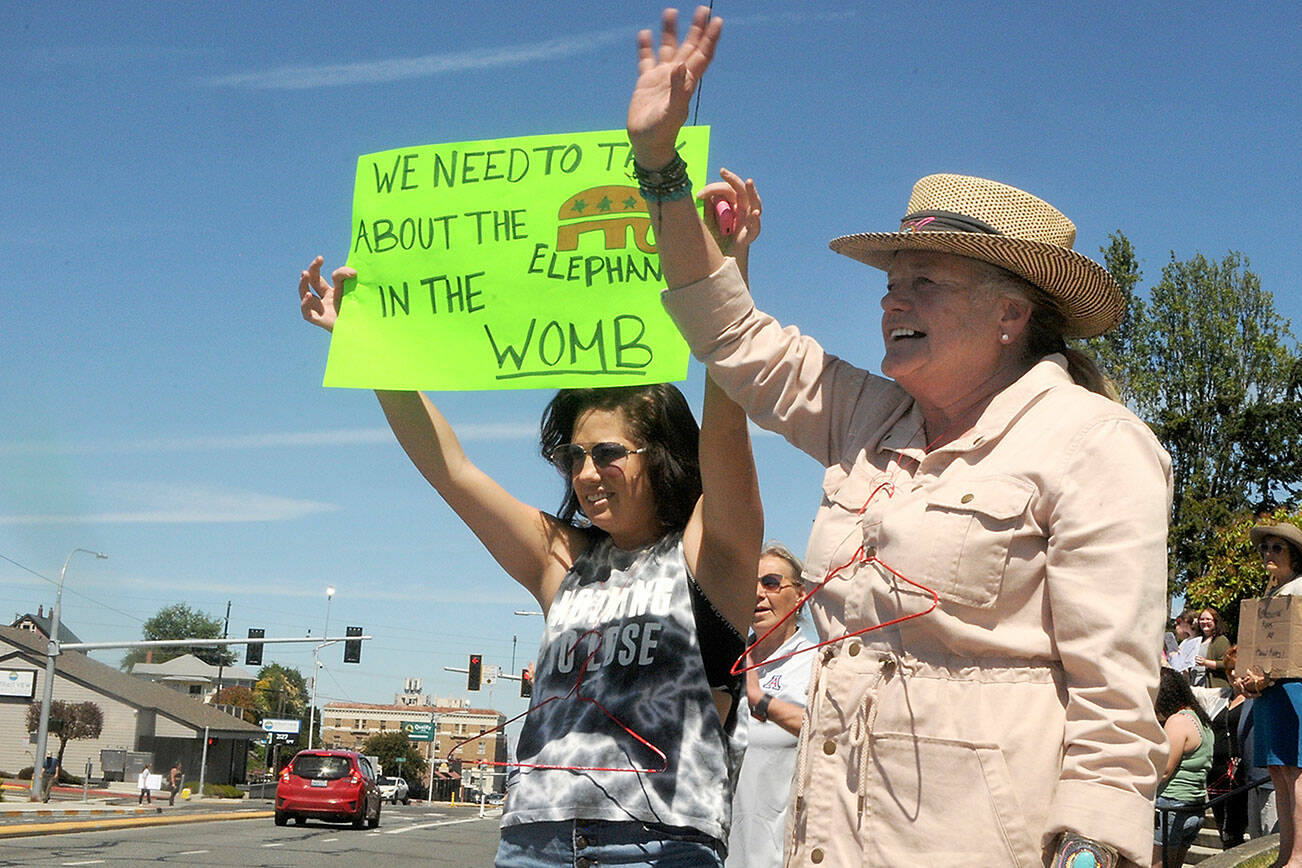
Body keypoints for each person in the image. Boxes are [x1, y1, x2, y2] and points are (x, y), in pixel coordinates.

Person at [623, 9, 1172, 865]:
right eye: (889, 281)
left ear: (1011, 314)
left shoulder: (1096, 444)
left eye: (923, 279)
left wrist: (1093, 850)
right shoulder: (867, 417)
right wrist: (659, 169)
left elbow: (1115, 700)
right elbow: (729, 336)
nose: (891, 300)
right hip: (831, 835)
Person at [297, 243, 763, 862]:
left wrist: (723, 280)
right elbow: (452, 471)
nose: (586, 474)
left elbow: (727, 430)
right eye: (574, 457)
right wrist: (364, 343)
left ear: (665, 456)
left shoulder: (709, 557)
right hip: (532, 841)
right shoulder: (562, 562)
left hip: (656, 842)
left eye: (608, 454)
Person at [727, 542, 815, 868]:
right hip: (721, 853)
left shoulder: (816, 663)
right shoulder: (727, 661)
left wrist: (761, 700)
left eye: (771, 583)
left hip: (785, 855)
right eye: (749, 583)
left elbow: (830, 732)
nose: (758, 593)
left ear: (801, 594)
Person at [1238, 521, 1302, 868]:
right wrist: (1246, 677)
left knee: (1295, 773)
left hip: (1293, 689)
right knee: (1278, 775)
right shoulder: (1272, 593)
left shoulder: (1300, 589)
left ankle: (1299, 855)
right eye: (1266, 548)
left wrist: (1264, 677)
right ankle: (1285, 852)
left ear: (1292, 554)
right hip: (1269, 693)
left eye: (1277, 548)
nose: (1269, 553)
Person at [1153, 667, 1214, 868]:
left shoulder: (1177, 721)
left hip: (1169, 806)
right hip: (1193, 806)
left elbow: (1164, 770)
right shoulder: (1201, 720)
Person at [1192, 607, 1232, 689]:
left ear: (1215, 621)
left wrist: (1205, 662)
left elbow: (1226, 664)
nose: (1204, 622)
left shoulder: (1221, 640)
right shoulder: (1196, 641)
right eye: (1202, 619)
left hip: (1214, 688)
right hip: (1195, 686)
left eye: (1208, 619)